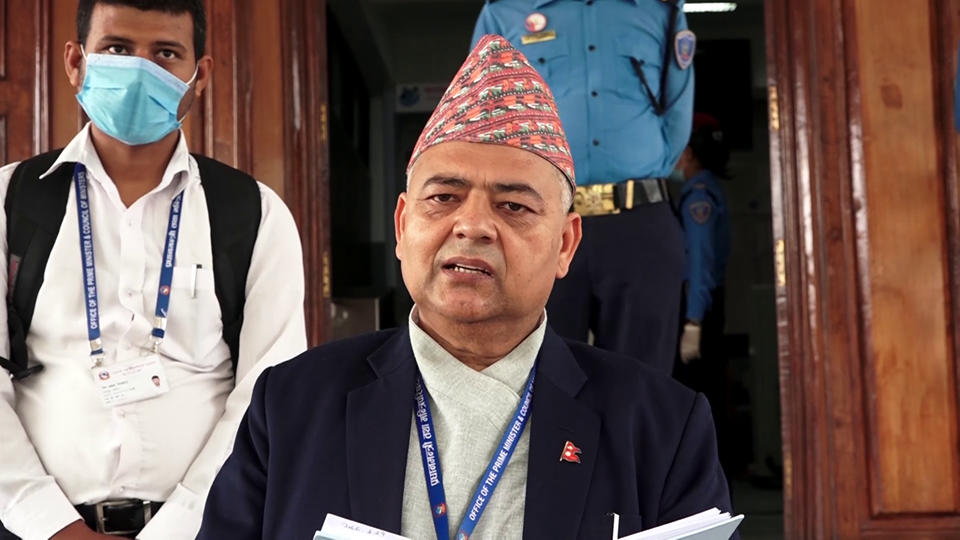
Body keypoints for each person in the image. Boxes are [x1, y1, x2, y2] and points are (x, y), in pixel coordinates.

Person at [197, 35, 734, 540]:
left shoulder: (663, 426)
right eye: (443, 198)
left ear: (566, 245)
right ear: (403, 226)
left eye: (514, 205)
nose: (473, 225)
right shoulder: (292, 404)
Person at [0, 1, 307, 539]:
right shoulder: (9, 201)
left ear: (199, 76)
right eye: (117, 49)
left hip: (209, 527)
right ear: (75, 62)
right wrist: (51, 526)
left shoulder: (255, 213)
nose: (140, 69)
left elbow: (268, 393)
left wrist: (181, 528)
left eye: (165, 53)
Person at [471, 0, 695, 374]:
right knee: (538, 377)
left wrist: (636, 164)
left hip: (639, 221)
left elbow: (677, 116)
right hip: (539, 224)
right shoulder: (505, 11)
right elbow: (485, 118)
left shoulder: (659, 10)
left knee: (643, 383)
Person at [673, 112, 733, 487]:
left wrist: (693, 322)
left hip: (698, 312)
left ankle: (708, 490)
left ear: (690, 153)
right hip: (703, 308)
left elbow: (700, 264)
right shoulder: (704, 191)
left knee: (699, 403)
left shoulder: (699, 198)